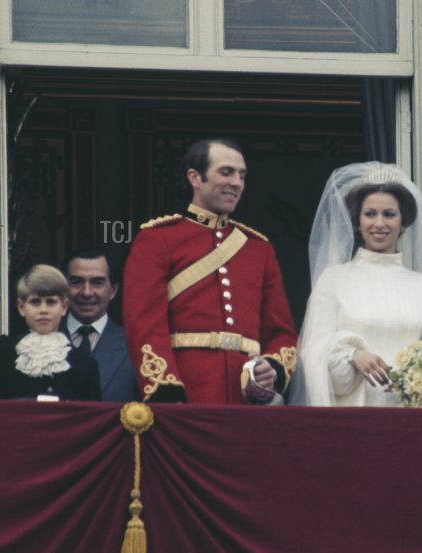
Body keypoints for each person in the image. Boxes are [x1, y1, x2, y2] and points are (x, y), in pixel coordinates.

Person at [122, 138, 298, 404]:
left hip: (246, 399)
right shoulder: (157, 239)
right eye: (226, 172)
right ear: (195, 177)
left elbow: (281, 332)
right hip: (187, 392)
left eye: (242, 175)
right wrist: (166, 389)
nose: (237, 183)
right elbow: (144, 323)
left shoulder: (258, 248)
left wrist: (271, 370)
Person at [292, 162, 422, 407]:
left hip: (407, 417)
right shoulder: (333, 279)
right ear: (357, 221)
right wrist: (352, 356)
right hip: (351, 415)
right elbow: (312, 350)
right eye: (370, 214)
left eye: (389, 214)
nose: (379, 223)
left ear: (403, 222)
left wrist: (413, 377)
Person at [0, 258, 101, 401]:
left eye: (51, 302)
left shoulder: (84, 364)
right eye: (35, 302)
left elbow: (92, 420)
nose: (43, 310)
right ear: (21, 307)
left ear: (64, 307)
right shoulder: (5, 351)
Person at [63, 248, 136, 402]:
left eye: (97, 283)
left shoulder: (134, 346)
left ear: (113, 290)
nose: (87, 292)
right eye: (77, 282)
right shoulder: (38, 341)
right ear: (63, 288)